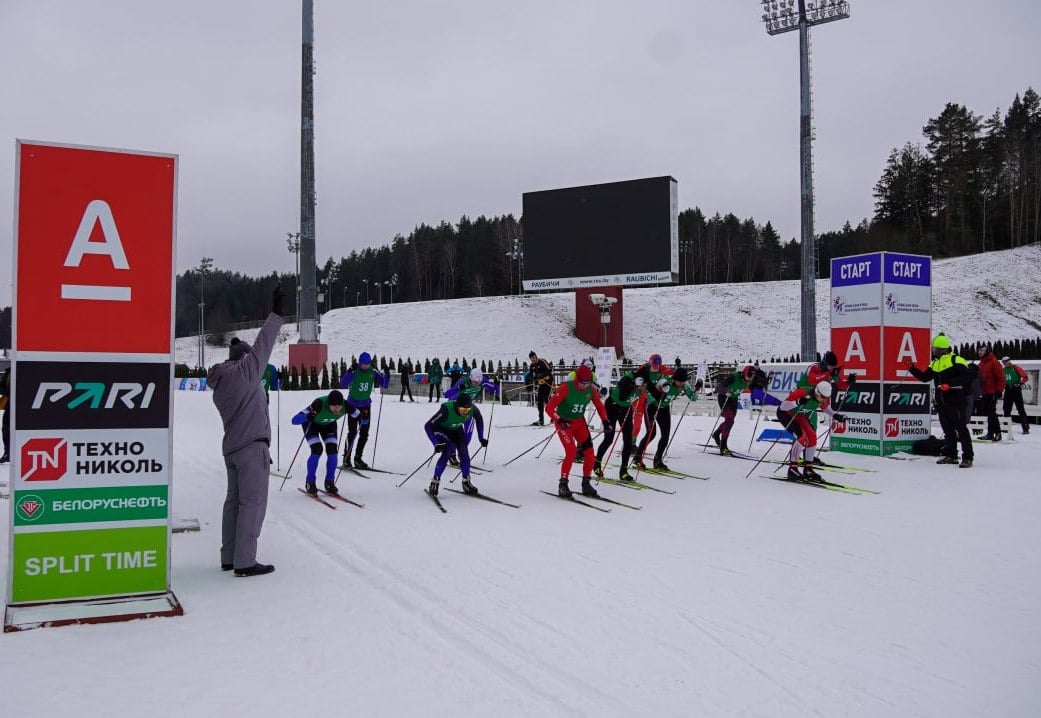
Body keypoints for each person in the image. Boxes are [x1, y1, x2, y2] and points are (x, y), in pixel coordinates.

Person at [206, 286, 285, 577]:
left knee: (233, 503)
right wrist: (276, 314)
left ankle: (229, 556)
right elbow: (265, 343)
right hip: (251, 448)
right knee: (252, 503)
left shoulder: (222, 381)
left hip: (232, 448)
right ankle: (245, 561)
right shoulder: (245, 372)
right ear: (245, 360)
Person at [908, 333, 973, 468]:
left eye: (934, 349)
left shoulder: (957, 360)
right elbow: (925, 377)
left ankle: (967, 457)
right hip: (942, 402)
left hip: (956, 401)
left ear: (941, 349)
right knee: (947, 430)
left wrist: (950, 384)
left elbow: (966, 377)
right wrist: (912, 369)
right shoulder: (935, 363)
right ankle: (952, 455)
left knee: (961, 429)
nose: (932, 351)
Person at [546, 364, 607, 497]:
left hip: (579, 423)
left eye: (587, 383)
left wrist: (605, 421)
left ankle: (586, 483)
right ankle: (563, 484)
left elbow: (600, 407)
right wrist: (558, 419)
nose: (584, 386)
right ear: (576, 379)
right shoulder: (565, 387)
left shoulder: (591, 390)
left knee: (590, 453)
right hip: (564, 424)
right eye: (582, 383)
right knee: (571, 452)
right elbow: (549, 408)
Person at [633, 366, 701, 471]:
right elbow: (655, 388)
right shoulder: (666, 380)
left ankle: (658, 460)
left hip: (664, 409)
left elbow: (693, 398)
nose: (681, 384)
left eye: (682, 382)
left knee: (665, 436)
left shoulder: (684, 385)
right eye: (679, 381)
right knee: (651, 433)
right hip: (652, 406)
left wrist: (697, 389)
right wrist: (662, 387)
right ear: (674, 378)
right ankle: (637, 458)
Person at [776, 381, 845, 481]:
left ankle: (808, 469)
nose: (824, 400)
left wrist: (834, 415)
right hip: (786, 414)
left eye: (826, 398)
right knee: (801, 437)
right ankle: (792, 469)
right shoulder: (803, 392)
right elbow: (783, 406)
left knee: (812, 437)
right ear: (817, 393)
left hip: (800, 414)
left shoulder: (821, 397)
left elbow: (825, 407)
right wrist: (797, 402)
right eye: (822, 397)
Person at [290, 389, 354, 495]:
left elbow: (358, 415)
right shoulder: (318, 404)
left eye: (339, 406)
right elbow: (294, 420)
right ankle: (310, 482)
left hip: (329, 426)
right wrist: (307, 416)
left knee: (332, 452)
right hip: (312, 426)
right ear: (328, 404)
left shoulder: (346, 405)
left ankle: (329, 482)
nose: (337, 409)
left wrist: (363, 417)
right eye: (334, 406)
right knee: (317, 450)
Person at [424, 393, 487, 498]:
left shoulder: (472, 409)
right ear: (457, 406)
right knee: (447, 451)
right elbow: (428, 425)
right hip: (440, 429)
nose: (465, 413)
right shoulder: (446, 409)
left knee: (464, 451)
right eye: (462, 410)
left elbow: (479, 419)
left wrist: (481, 438)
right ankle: (435, 481)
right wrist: (435, 443)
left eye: (467, 411)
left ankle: (466, 482)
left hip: (456, 429)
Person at [338, 352, 390, 469]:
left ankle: (358, 458)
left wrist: (387, 373)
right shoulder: (355, 371)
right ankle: (346, 458)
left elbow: (384, 384)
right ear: (359, 363)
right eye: (363, 364)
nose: (365, 367)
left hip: (365, 405)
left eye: (367, 364)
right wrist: (349, 372)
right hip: (352, 405)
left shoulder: (373, 371)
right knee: (352, 433)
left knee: (364, 433)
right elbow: (342, 384)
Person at [712, 364, 772, 456]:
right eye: (749, 376)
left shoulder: (751, 378)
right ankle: (723, 446)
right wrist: (726, 391)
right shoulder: (734, 377)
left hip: (733, 398)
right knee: (729, 420)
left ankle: (716, 434)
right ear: (744, 374)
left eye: (752, 377)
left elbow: (761, 382)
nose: (750, 379)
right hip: (724, 397)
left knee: (730, 421)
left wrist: (767, 381)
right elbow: (718, 388)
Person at [593, 373, 644, 481]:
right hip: (613, 406)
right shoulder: (627, 382)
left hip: (626, 409)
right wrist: (633, 389)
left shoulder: (643, 386)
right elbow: (622, 395)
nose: (644, 387)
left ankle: (623, 471)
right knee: (609, 439)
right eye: (642, 384)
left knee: (628, 440)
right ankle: (597, 463)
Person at [976, 344, 1006, 441]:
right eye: (979, 350)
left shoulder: (994, 362)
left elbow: (1001, 377)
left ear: (987, 351)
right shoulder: (980, 364)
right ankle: (990, 434)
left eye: (982, 350)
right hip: (984, 392)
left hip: (992, 392)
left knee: (992, 413)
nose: (980, 352)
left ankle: (997, 433)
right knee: (989, 413)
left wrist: (999, 390)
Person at [1001, 356, 1030, 434]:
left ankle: (1025, 428)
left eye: (1006, 362)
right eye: (1003, 362)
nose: (1005, 363)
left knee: (1020, 409)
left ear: (1009, 361)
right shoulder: (1003, 370)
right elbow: (1002, 380)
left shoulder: (1016, 368)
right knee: (1006, 408)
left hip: (1016, 390)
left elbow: (1025, 377)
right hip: (1008, 390)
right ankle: (1006, 427)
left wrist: (1020, 383)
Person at [528, 350, 554, 426]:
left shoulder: (542, 361)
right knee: (539, 401)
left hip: (548, 382)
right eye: (531, 358)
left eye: (534, 357)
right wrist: (535, 379)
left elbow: (549, 371)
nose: (533, 359)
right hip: (541, 384)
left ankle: (553, 417)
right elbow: (531, 375)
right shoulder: (532, 365)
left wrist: (540, 375)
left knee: (546, 398)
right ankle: (541, 420)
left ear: (536, 356)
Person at [0, 366, 9, 464]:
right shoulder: (9, 372)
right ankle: (8, 452)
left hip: (23, 406)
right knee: (6, 429)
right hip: (9, 405)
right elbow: (2, 387)